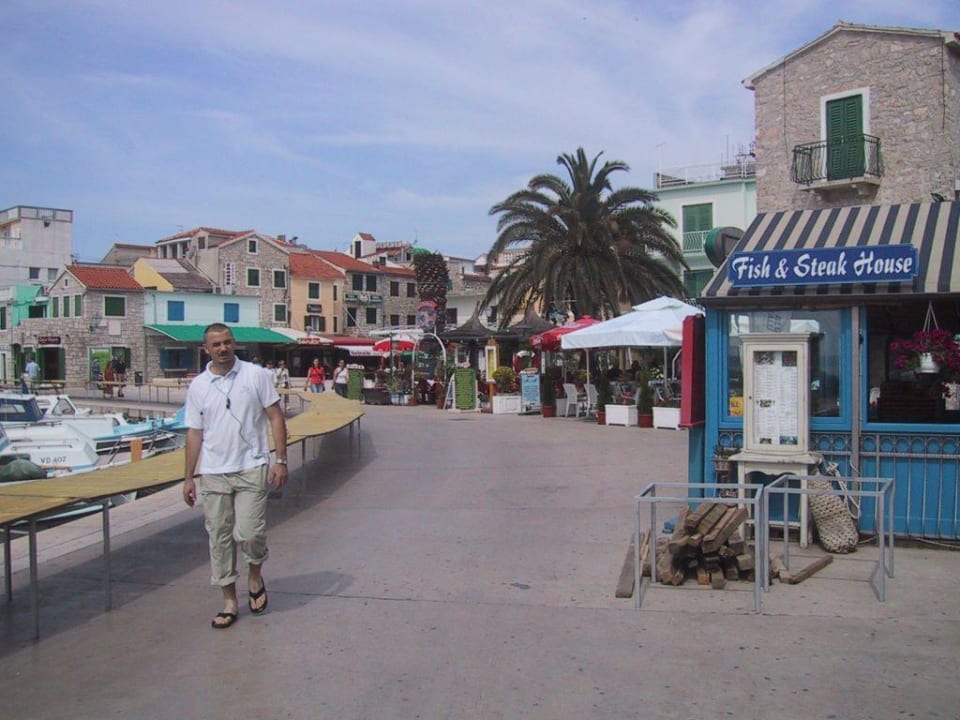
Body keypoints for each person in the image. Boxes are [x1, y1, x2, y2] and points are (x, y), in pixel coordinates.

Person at [182, 323, 288, 630]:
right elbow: (194, 432)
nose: (223, 348)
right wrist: (188, 477)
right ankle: (229, 600)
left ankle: (254, 575)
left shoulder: (256, 375)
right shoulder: (199, 386)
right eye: (216, 344)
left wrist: (280, 459)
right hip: (214, 472)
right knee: (219, 538)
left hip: (251, 466)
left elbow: (275, 416)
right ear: (207, 349)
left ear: (234, 343)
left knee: (250, 533)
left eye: (227, 342)